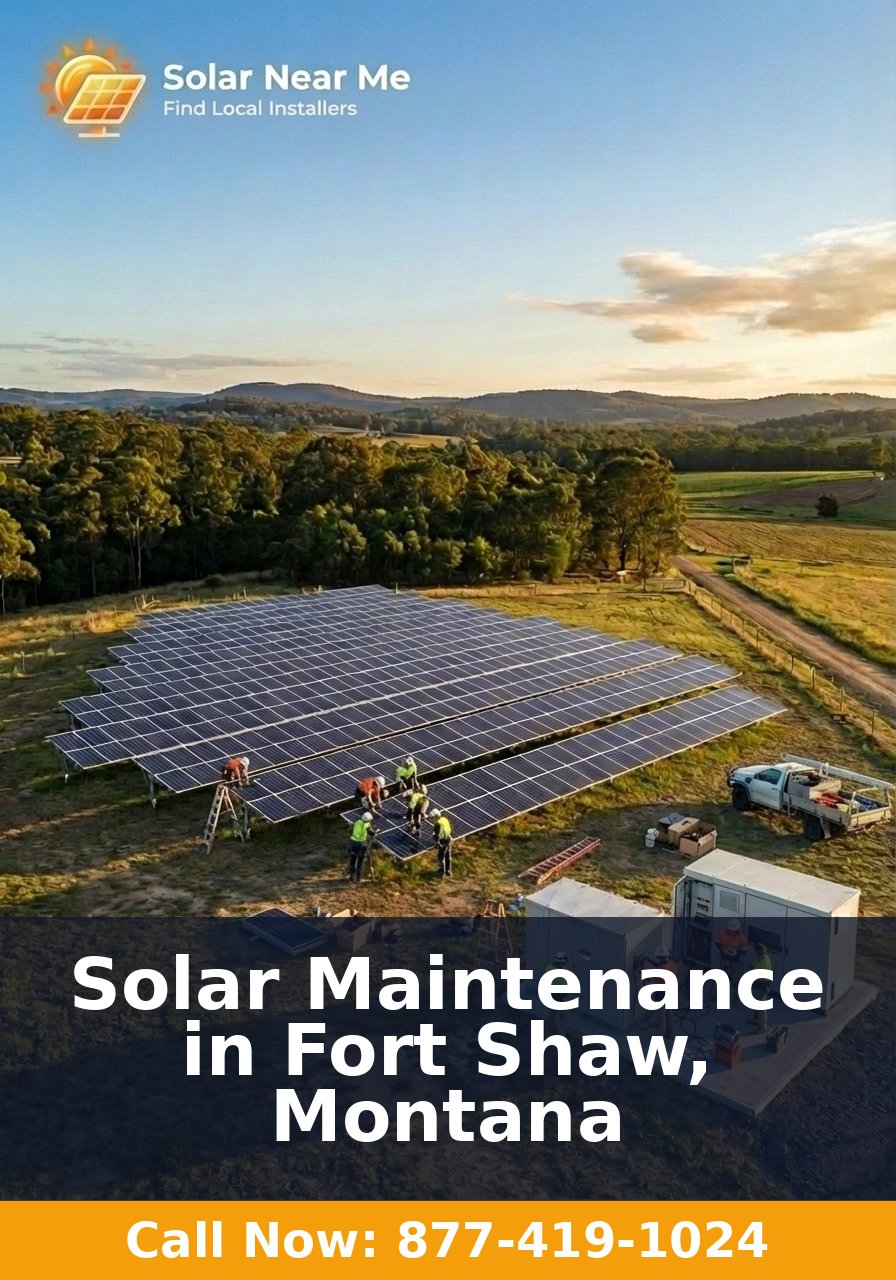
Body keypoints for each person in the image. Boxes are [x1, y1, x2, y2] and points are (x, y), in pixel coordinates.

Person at [650, 945, 679, 1038]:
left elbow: (651, 979)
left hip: (661, 994)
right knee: (669, 1014)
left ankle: (659, 1035)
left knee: (660, 1016)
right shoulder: (672, 964)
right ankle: (670, 1033)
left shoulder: (659, 970)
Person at [751, 943, 774, 1033]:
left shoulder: (763, 961)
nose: (755, 953)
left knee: (761, 1008)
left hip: (761, 986)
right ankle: (757, 1020)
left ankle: (762, 1028)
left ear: (759, 951)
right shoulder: (765, 958)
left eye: (756, 951)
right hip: (760, 985)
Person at [347, 812, 374, 884]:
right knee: (360, 862)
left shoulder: (357, 822)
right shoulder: (367, 825)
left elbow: (351, 830)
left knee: (352, 860)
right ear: (368, 820)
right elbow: (371, 833)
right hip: (361, 844)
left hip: (352, 843)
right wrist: (375, 832)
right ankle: (358, 879)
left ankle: (351, 877)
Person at [430, 809, 453, 877]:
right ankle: (448, 871)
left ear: (436, 816)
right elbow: (449, 828)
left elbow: (436, 835)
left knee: (441, 856)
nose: (432, 819)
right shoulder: (444, 819)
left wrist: (437, 843)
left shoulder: (437, 824)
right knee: (448, 856)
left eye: (432, 818)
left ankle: (442, 872)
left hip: (443, 841)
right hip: (449, 839)